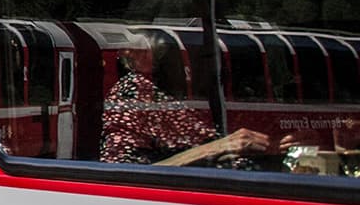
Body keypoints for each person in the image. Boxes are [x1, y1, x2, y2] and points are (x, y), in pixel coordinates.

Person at [100, 34, 288, 168]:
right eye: (204, 58)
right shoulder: (130, 99)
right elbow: (125, 173)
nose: (215, 68)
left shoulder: (170, 99)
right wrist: (218, 147)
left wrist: (277, 147)